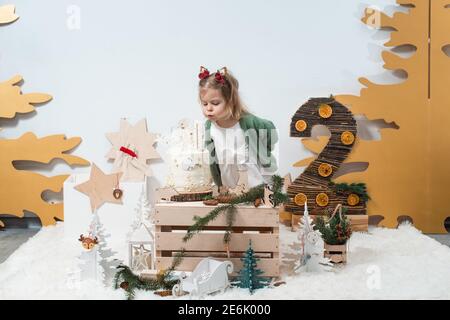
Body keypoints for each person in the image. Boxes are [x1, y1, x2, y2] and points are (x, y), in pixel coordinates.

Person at [198, 66, 278, 192]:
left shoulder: (248, 122)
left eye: (215, 103)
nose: (208, 108)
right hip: (231, 190)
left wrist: (265, 152)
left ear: (230, 101)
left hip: (256, 188)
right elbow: (213, 157)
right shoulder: (210, 127)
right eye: (204, 103)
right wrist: (219, 184)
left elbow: (269, 130)